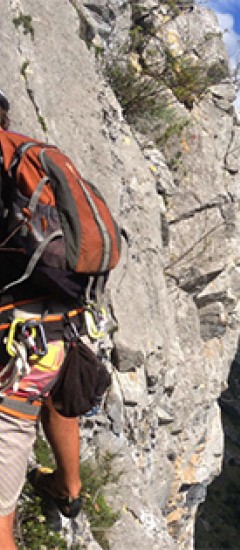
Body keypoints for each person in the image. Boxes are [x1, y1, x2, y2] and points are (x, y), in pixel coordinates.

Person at [0, 89, 83, 549]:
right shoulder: (32, 165)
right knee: (56, 400)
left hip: (14, 352)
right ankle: (68, 489)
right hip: (64, 329)